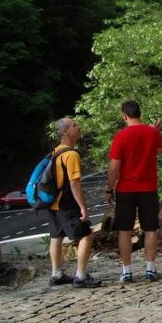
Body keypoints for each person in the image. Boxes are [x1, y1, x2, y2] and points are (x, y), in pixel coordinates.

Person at [107, 101, 162, 282]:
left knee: (124, 230)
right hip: (148, 188)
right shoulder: (153, 132)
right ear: (140, 113)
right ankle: (150, 269)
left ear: (124, 116)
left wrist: (109, 188)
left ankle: (127, 272)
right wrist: (154, 131)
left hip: (126, 189)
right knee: (150, 229)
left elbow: (114, 166)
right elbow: (160, 151)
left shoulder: (120, 136)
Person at [47, 117, 101, 288]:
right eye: (74, 125)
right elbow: (74, 183)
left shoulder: (55, 152)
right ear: (65, 132)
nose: (79, 127)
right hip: (67, 204)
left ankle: (56, 275)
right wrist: (83, 208)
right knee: (86, 235)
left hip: (53, 203)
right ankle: (81, 276)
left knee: (56, 236)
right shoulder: (71, 154)